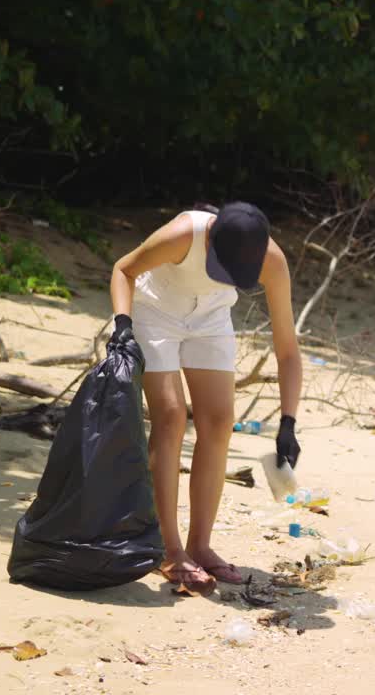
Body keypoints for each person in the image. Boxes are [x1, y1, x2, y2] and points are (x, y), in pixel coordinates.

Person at [109, 202, 302, 588]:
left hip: (210, 319)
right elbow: (123, 270)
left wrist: (288, 424)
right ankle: (169, 548)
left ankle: (200, 546)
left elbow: (287, 350)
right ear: (212, 240)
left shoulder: (272, 261)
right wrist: (123, 326)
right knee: (171, 416)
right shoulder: (184, 234)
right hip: (155, 313)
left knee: (218, 422)